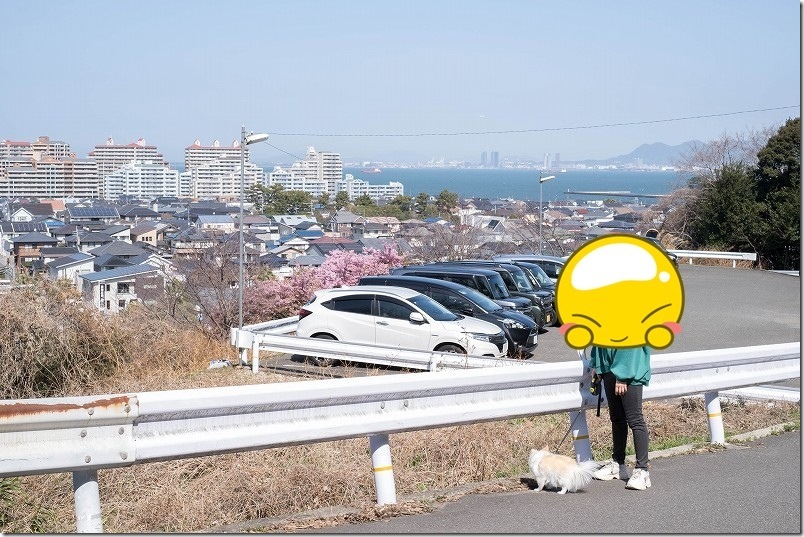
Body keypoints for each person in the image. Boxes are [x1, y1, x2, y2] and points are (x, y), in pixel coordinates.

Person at [589, 345, 652, 490]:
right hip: (610, 369)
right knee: (617, 418)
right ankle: (618, 463)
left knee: (635, 419)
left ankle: (642, 471)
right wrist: (598, 366)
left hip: (629, 370)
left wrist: (622, 375)